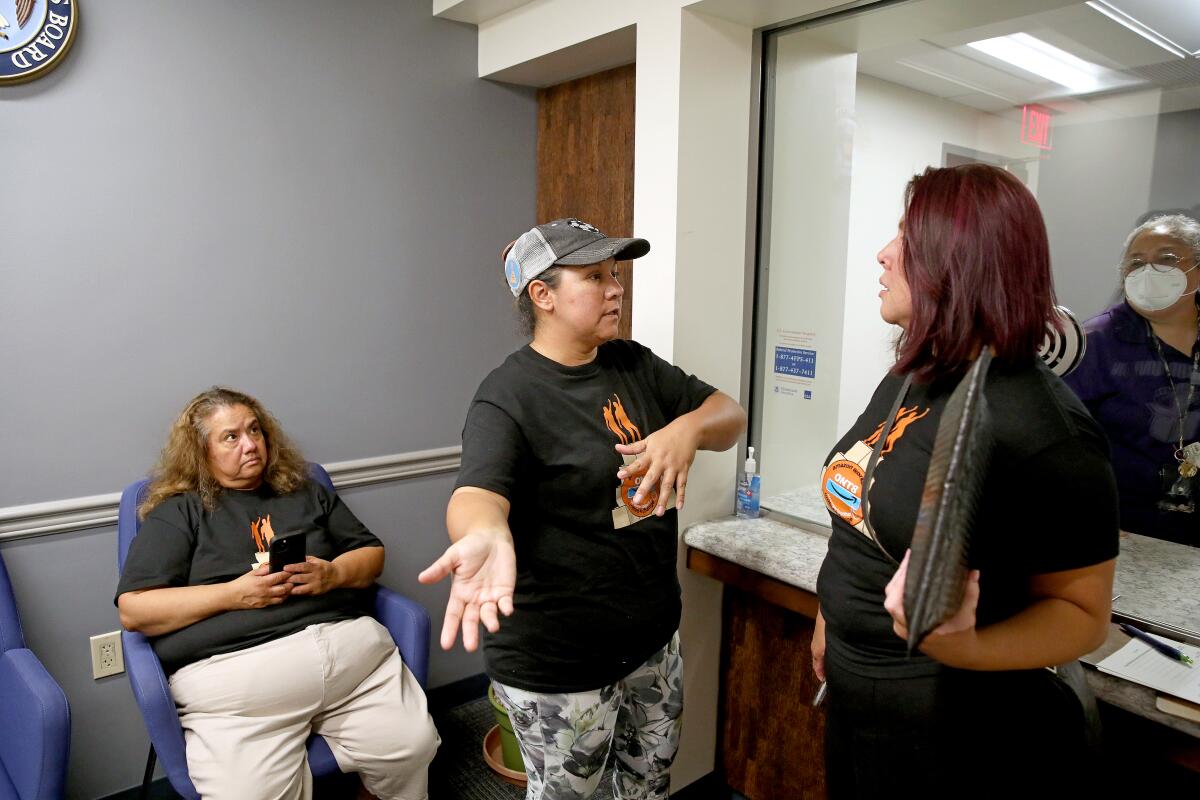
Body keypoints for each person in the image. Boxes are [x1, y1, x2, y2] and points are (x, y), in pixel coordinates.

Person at [812, 165, 1118, 797]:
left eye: (904, 236)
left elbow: (1083, 615)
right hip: (858, 697)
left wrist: (965, 650)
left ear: (956, 261)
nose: (883, 253)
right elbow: (863, 510)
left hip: (956, 724)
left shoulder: (1045, 429)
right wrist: (828, 617)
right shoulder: (915, 373)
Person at [418, 218, 745, 800]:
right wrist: (484, 533)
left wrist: (687, 430)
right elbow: (477, 495)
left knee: (646, 787)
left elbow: (730, 416)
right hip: (559, 664)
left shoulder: (632, 364)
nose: (615, 288)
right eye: (594, 276)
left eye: (614, 274)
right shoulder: (507, 396)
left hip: (651, 641)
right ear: (542, 295)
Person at [116, 387, 438, 800]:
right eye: (230, 437)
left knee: (412, 746)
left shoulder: (303, 490)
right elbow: (134, 610)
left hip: (351, 663)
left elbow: (371, 554)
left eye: (255, 430)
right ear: (201, 450)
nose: (250, 444)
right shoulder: (179, 512)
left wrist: (334, 574)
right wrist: (233, 595)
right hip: (240, 690)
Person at [1064, 214, 1200, 546]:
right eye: (1135, 264)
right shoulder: (1094, 343)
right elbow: (1058, 439)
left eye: (1167, 258)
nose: (1148, 271)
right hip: (1123, 530)